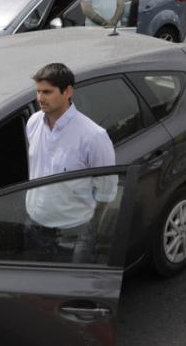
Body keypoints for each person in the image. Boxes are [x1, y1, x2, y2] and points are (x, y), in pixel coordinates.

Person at [24, 63, 116, 263]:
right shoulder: (33, 122)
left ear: (68, 92)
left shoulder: (93, 137)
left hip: (73, 231)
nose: (40, 98)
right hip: (35, 222)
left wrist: (88, 230)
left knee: (73, 291)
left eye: (47, 92)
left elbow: (105, 191)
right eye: (38, 91)